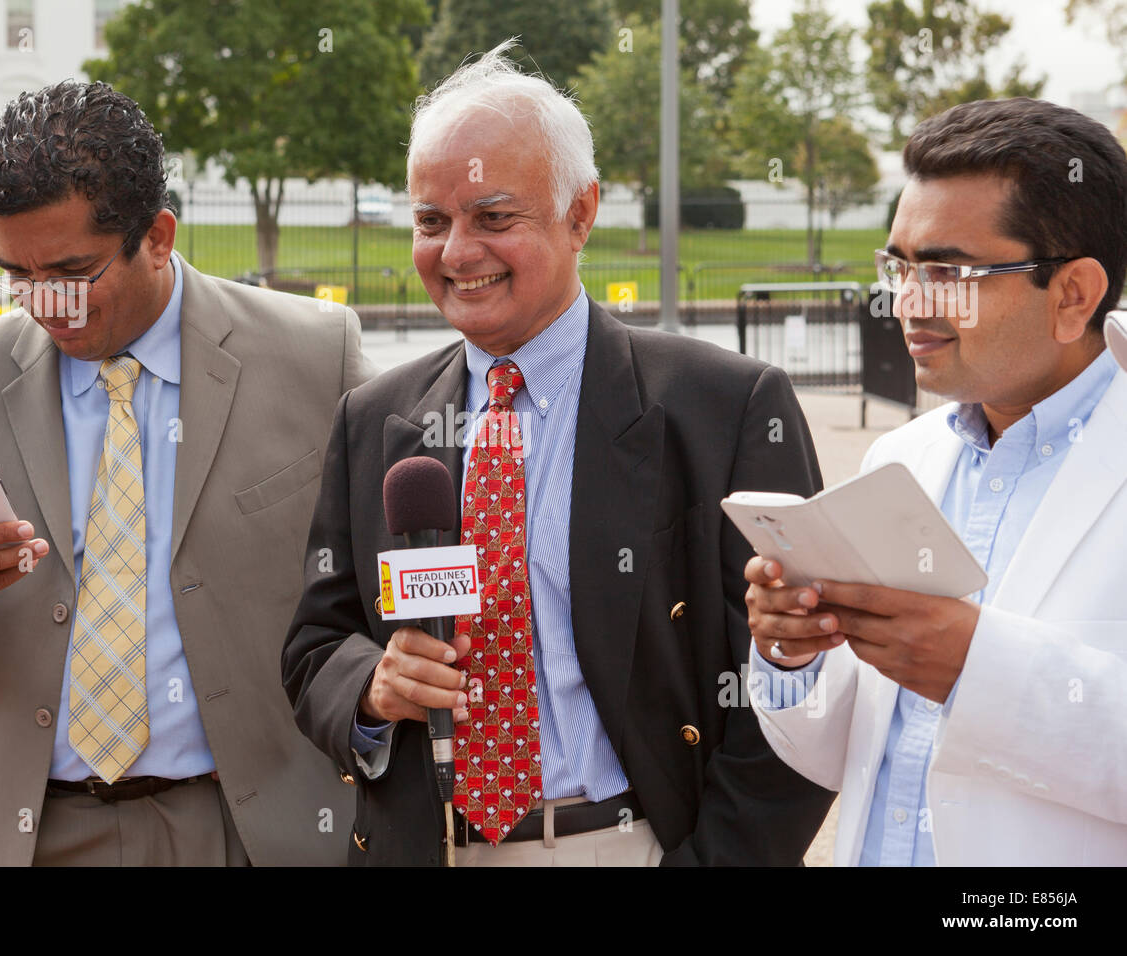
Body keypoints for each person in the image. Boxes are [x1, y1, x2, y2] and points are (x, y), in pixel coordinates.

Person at [282, 41, 835, 866]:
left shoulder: (725, 408)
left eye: (493, 217)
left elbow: (801, 676)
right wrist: (373, 686)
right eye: (431, 222)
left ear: (582, 213)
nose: (457, 252)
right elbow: (316, 646)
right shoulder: (376, 420)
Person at [0, 81, 374, 865]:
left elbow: (370, 591)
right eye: (17, 274)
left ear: (160, 235)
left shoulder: (316, 357)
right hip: (36, 837)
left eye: (73, 270)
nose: (46, 303)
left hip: (260, 831)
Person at [745, 97, 1127, 865]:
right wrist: (795, 653)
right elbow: (845, 754)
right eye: (900, 266)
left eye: (949, 272)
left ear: (1074, 295)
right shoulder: (902, 460)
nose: (908, 304)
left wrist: (974, 666)